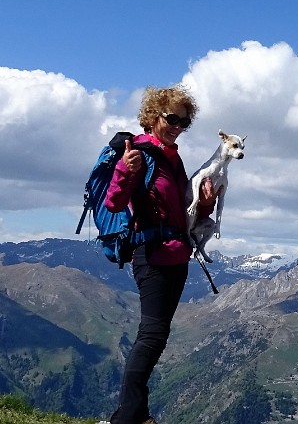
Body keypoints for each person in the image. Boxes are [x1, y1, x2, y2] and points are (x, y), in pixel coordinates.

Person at [104, 84, 216, 424]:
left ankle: (136, 413)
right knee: (151, 334)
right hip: (151, 256)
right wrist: (125, 170)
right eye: (172, 119)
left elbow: (181, 208)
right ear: (153, 116)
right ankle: (128, 417)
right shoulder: (138, 152)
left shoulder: (173, 157)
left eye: (184, 122)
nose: (177, 127)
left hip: (176, 257)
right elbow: (114, 202)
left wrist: (206, 203)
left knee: (157, 334)